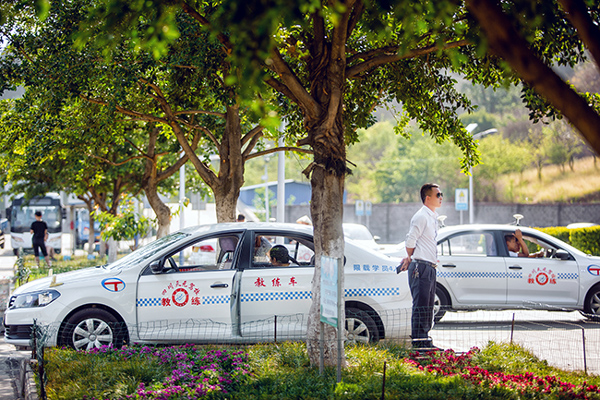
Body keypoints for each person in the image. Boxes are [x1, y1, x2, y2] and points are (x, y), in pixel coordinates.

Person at [397, 183, 443, 349]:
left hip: (430, 266)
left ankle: (424, 340)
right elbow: (410, 240)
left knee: (428, 306)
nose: (441, 198)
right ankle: (418, 343)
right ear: (428, 197)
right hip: (420, 267)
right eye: (438, 195)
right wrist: (410, 256)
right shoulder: (421, 216)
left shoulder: (432, 216)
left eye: (441, 195)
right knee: (421, 305)